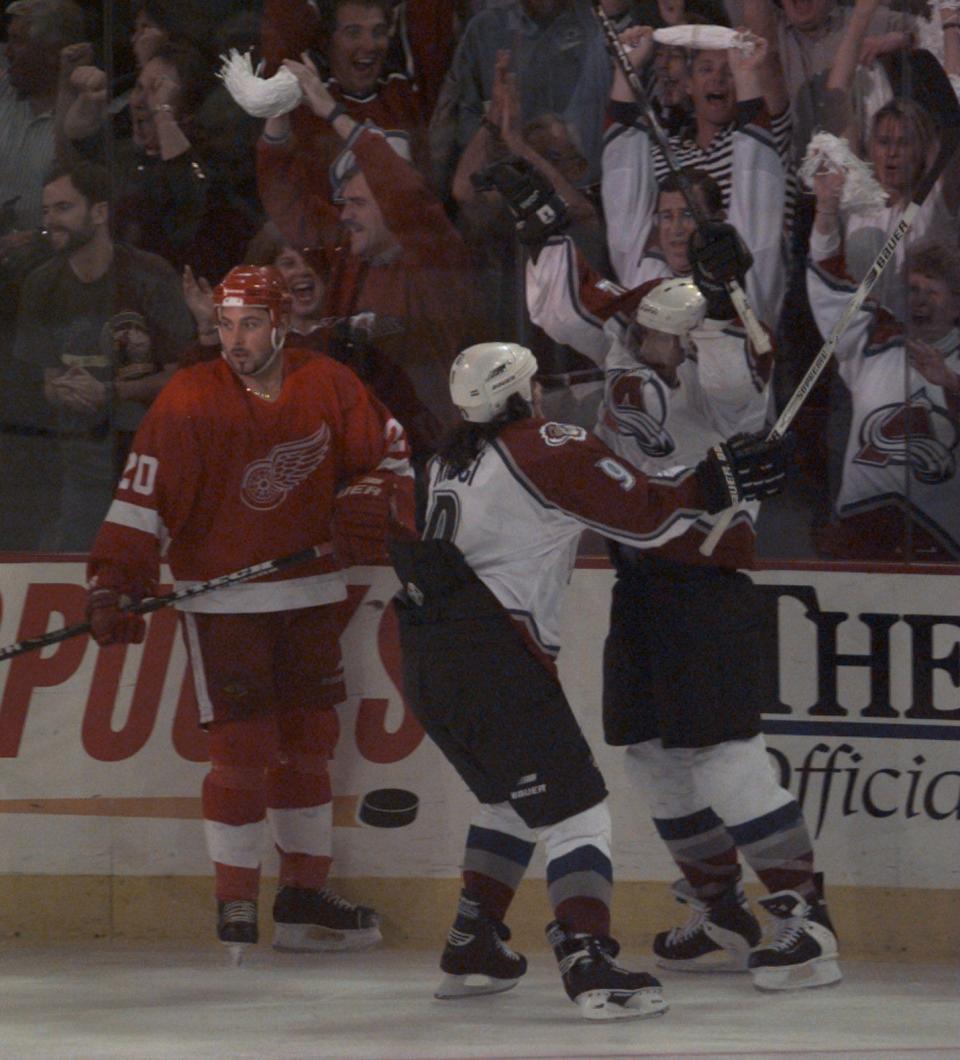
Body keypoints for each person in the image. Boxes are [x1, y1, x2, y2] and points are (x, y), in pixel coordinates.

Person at [390, 340, 790, 1017]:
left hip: (427, 655)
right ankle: (588, 959)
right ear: (524, 391)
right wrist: (715, 481)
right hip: (492, 653)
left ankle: (474, 940)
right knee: (578, 811)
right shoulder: (540, 442)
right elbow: (648, 516)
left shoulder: (445, 461)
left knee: (509, 803)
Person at [85, 264, 415, 960]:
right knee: (241, 750)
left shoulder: (328, 383)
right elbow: (141, 496)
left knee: (311, 742)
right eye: (227, 324)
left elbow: (391, 457)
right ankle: (235, 896)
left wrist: (372, 498)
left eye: (251, 323)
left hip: (313, 593)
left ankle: (300, 897)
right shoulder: (188, 398)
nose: (235, 339)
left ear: (282, 323)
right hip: (227, 601)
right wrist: (114, 582)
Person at [12, 159, 193, 551]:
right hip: (78, 467)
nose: (51, 220)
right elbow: (46, 381)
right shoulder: (41, 285)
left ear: (99, 212)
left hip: (148, 460)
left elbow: (184, 378)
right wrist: (59, 390)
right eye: (46, 210)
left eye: (63, 208)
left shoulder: (149, 275)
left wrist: (111, 393)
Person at [807, 236, 960, 560]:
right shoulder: (875, 342)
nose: (919, 300)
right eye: (912, 289)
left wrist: (949, 381)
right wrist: (825, 215)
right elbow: (831, 297)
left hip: (942, 538)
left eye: (931, 291)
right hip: (860, 528)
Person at [256, 0, 426, 250]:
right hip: (339, 260)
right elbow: (286, 22)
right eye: (353, 32)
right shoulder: (306, 105)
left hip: (414, 256)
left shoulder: (403, 92)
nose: (369, 45)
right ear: (328, 41)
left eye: (378, 32)